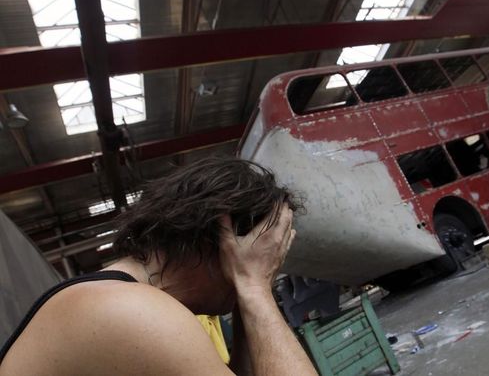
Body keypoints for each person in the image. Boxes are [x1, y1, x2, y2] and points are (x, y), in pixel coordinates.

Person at [0, 157, 318, 376]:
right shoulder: (132, 311)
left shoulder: (118, 296)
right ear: (220, 241)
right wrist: (253, 287)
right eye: (264, 256)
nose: (268, 267)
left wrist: (247, 300)